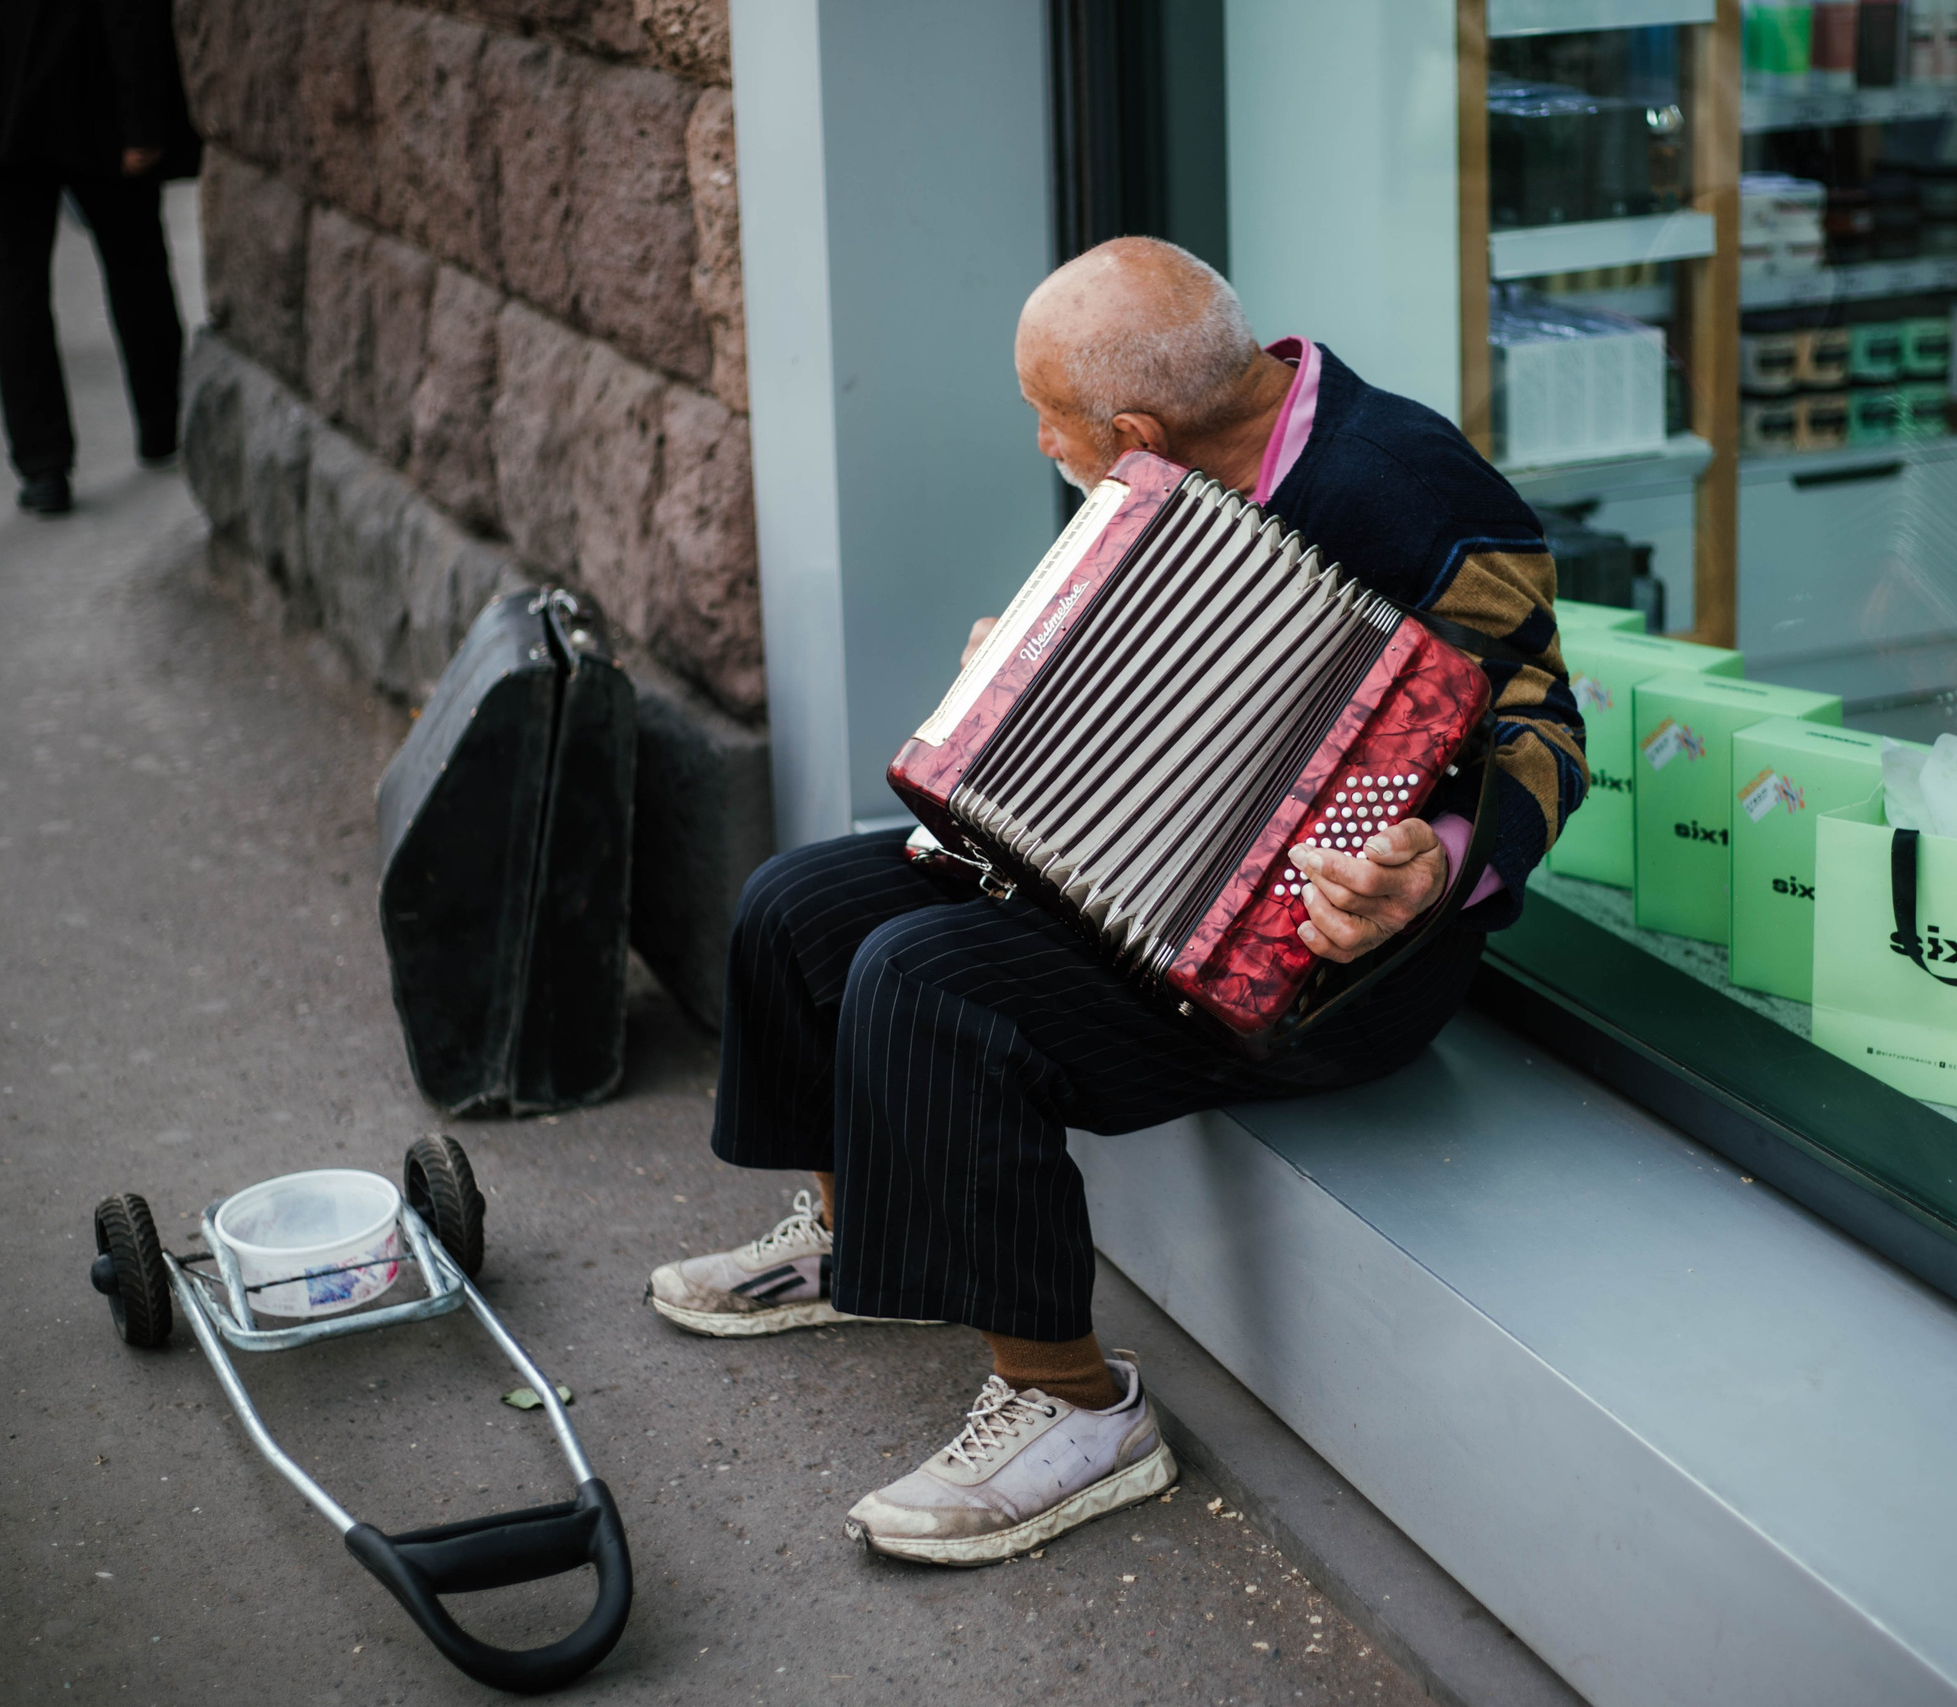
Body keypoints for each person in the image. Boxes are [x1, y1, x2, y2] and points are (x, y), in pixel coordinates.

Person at [646, 237, 1586, 1565]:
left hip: (1323, 969)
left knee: (926, 980)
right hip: (1126, 896)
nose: (1041, 440)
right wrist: (1011, 673)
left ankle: (1077, 1408)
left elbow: (1546, 724)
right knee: (796, 901)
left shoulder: (1408, 486)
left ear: (1135, 428)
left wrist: (1434, 861)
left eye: (1051, 416)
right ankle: (855, 1243)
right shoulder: (1155, 479)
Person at [0, 0, 198, 514]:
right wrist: (145, 115)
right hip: (92, 87)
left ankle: (43, 464)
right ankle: (163, 423)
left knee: (17, 288)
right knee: (134, 262)